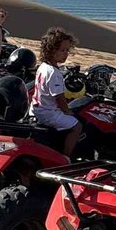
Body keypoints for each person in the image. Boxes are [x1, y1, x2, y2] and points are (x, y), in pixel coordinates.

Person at [30, 28, 82, 156]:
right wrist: (67, 111)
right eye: (62, 50)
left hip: (36, 109)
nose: (66, 54)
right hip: (48, 113)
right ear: (51, 51)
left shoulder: (43, 67)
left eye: (67, 50)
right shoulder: (54, 73)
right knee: (77, 127)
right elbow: (59, 98)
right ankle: (66, 156)